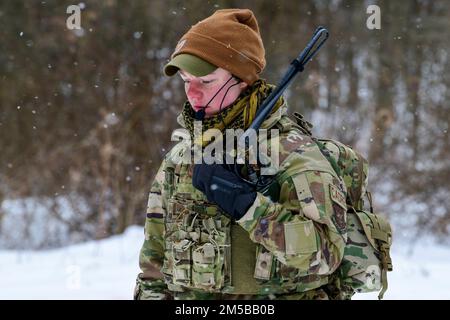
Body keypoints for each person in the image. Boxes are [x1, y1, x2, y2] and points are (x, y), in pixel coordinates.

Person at [134, 8, 349, 300]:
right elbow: (154, 265)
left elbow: (326, 255)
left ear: (243, 79)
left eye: (206, 81)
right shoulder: (181, 158)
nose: (193, 94)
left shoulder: (293, 154)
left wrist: (248, 207)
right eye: (186, 81)